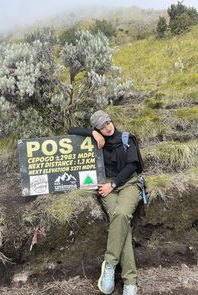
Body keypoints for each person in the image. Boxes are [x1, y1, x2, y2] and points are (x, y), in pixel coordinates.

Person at [68, 110, 142, 295]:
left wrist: (113, 183)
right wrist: (91, 133)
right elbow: (71, 130)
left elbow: (132, 166)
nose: (108, 127)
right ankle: (130, 283)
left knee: (121, 214)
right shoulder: (96, 139)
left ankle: (109, 264)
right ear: (97, 129)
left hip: (128, 184)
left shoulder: (126, 138)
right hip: (105, 187)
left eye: (108, 122)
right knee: (122, 224)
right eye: (102, 126)